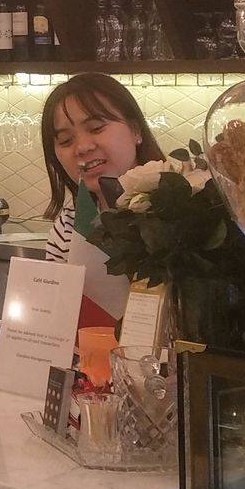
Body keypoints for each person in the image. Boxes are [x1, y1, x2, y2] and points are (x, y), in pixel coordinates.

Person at [39, 72, 166, 330]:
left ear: (135, 130)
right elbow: (58, 325)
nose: (82, 147)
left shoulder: (186, 206)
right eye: (65, 140)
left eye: (96, 128)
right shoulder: (68, 225)